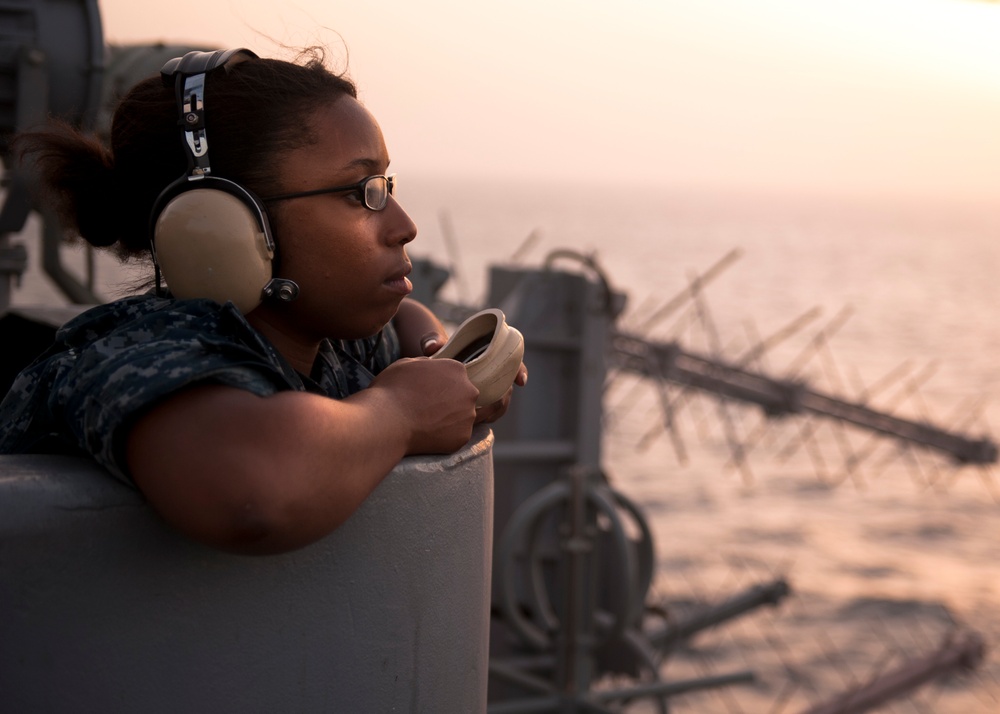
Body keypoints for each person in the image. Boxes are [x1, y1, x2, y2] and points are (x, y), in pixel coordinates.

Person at [0, 47, 526, 555]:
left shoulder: (323, 345)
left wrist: (435, 356)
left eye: (386, 186)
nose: (404, 226)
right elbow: (252, 489)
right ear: (225, 224)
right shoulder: (134, 352)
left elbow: (406, 320)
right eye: (361, 192)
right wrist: (402, 412)